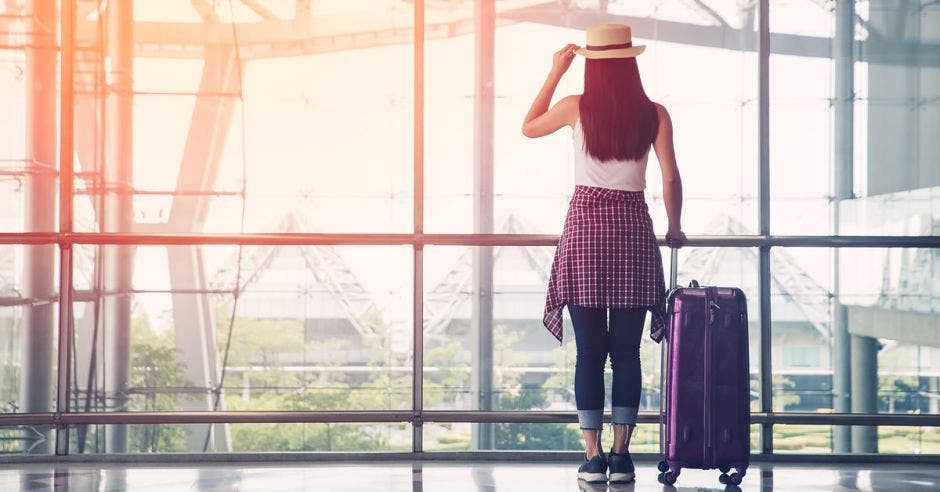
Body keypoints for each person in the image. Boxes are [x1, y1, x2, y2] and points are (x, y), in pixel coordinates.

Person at [521, 23, 686, 484]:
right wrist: (674, 228)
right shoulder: (655, 113)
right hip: (633, 232)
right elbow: (670, 178)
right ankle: (622, 455)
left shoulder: (577, 107)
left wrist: (556, 71)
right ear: (631, 63)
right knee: (627, 355)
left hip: (585, 234)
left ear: (592, 65)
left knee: (589, 355)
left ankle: (592, 457)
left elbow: (528, 127)